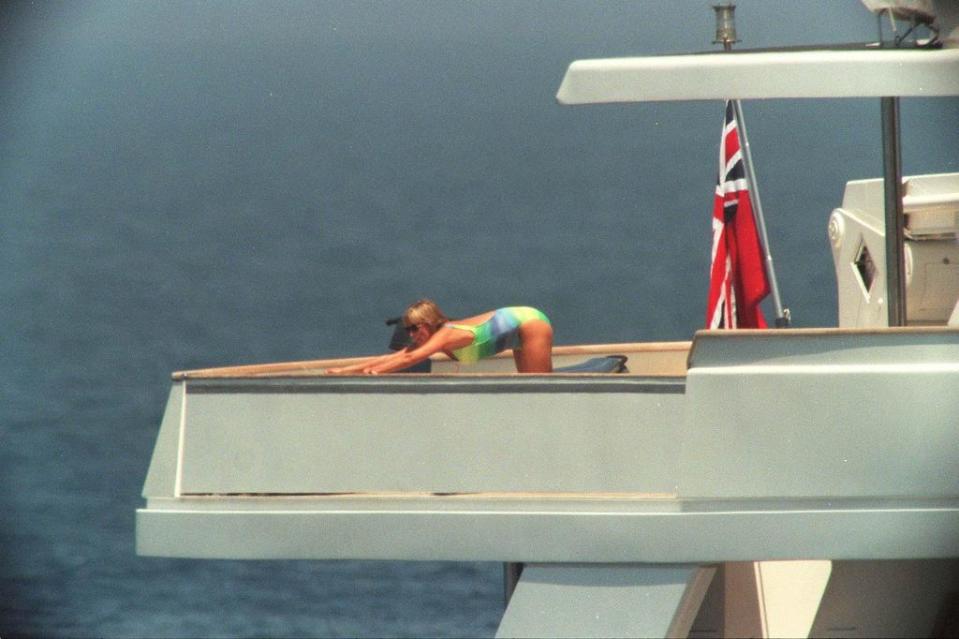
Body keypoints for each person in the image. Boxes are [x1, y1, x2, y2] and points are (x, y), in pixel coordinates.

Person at [326, 299, 553, 374]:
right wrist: (345, 371)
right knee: (533, 394)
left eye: (417, 328)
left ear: (430, 324)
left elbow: (407, 360)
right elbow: (391, 358)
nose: (413, 334)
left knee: (542, 393)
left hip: (530, 324)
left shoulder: (446, 335)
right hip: (515, 327)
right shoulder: (431, 340)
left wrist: (374, 374)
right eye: (409, 330)